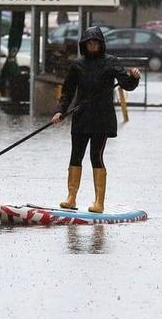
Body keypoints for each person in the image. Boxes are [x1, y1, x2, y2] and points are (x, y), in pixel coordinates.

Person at [51, 27, 141, 213]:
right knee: (75, 155)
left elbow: (127, 84)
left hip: (102, 119)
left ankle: (99, 202)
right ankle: (71, 198)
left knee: (95, 156)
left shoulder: (111, 62)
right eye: (89, 43)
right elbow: (67, 91)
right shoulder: (78, 65)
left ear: (100, 44)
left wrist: (134, 77)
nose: (92, 46)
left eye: (95, 42)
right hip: (81, 117)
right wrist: (60, 111)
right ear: (84, 45)